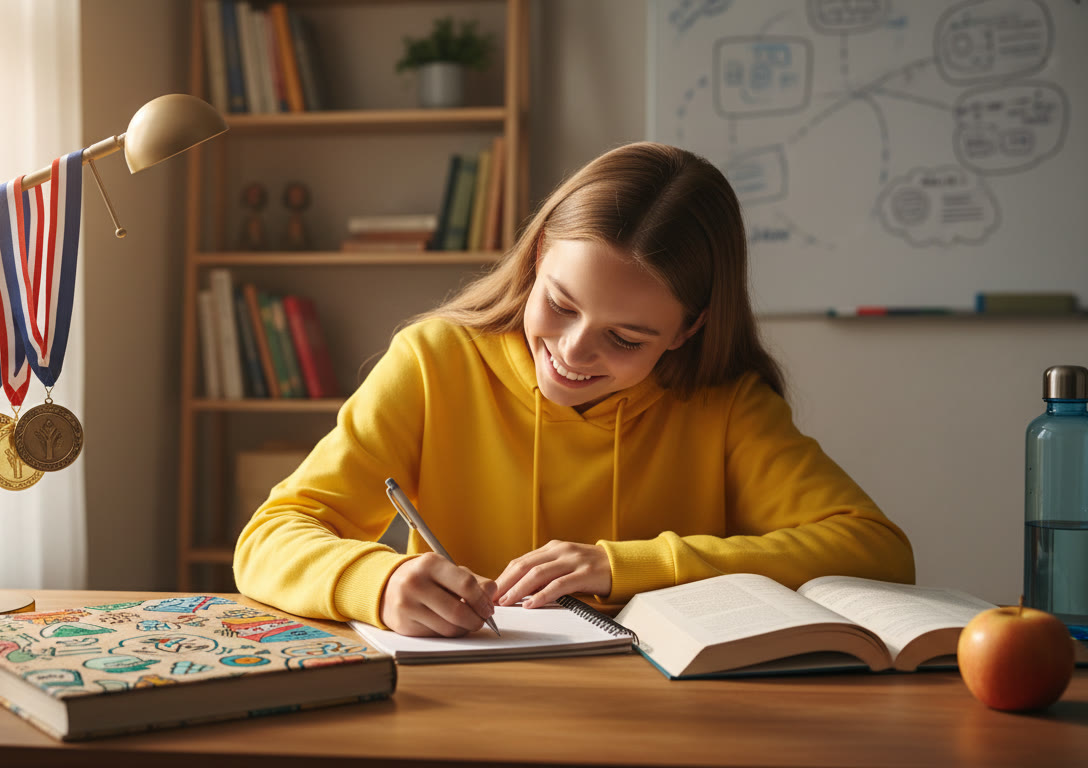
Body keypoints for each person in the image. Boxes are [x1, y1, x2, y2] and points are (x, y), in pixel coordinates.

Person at [234, 142, 915, 637]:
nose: (572, 351)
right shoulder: (435, 362)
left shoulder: (725, 404)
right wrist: (375, 583)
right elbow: (268, 539)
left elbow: (877, 549)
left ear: (686, 330)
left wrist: (627, 566)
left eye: (626, 338)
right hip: (463, 710)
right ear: (536, 263)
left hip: (675, 720)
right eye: (560, 304)